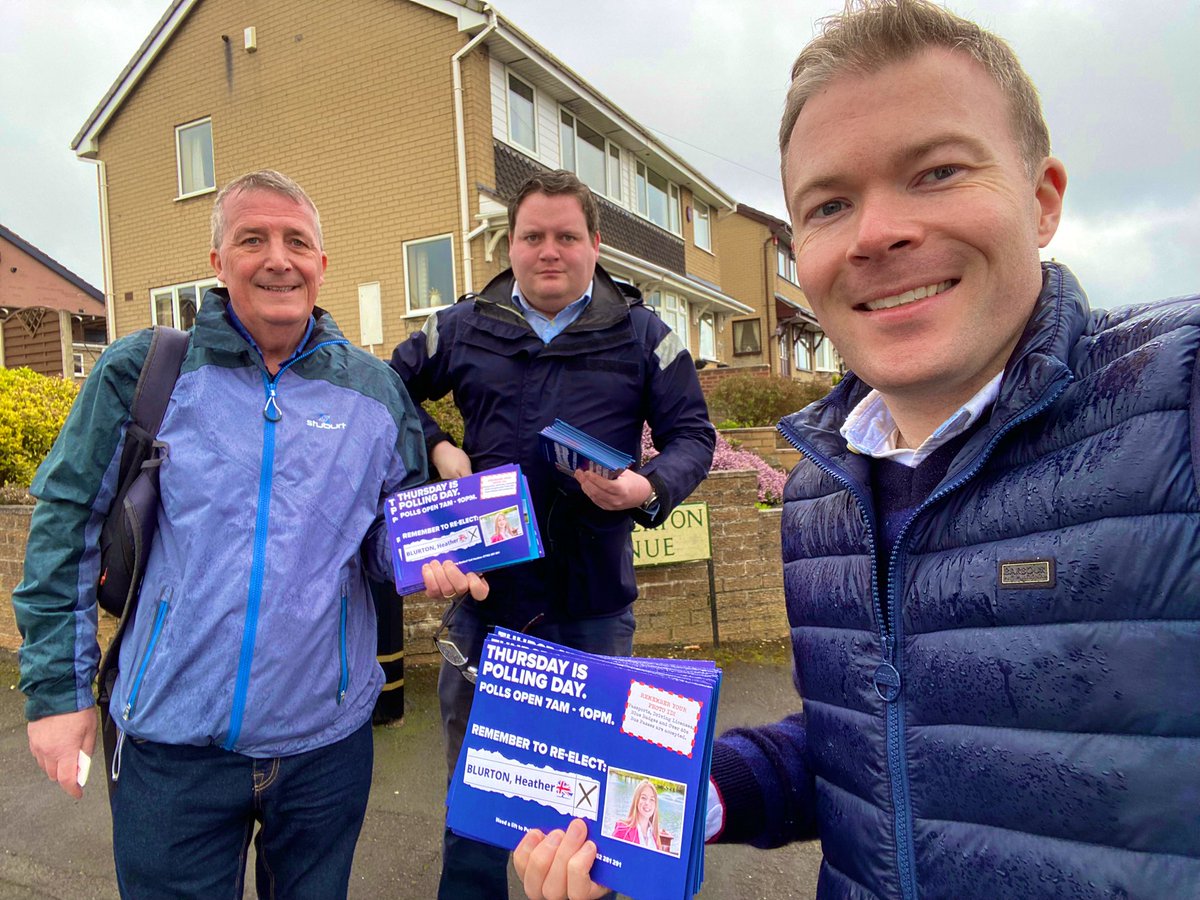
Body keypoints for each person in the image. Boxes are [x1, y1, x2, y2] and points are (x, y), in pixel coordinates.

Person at [512, 2, 1200, 898]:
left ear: (1042, 201)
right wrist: (697, 792)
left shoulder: (1173, 399)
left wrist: (649, 486)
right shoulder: (820, 494)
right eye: (831, 203)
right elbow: (871, 745)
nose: (876, 233)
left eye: (938, 170)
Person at [13, 170, 427, 898]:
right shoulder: (145, 370)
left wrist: (434, 558)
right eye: (252, 239)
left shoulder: (373, 391)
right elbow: (65, 526)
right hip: (173, 746)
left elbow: (386, 538)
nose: (278, 258)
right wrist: (58, 694)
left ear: (322, 265)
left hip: (323, 750)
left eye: (297, 241)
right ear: (217, 262)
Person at [391, 168, 715, 899]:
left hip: (594, 608)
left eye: (567, 236)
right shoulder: (464, 324)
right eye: (532, 236)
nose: (549, 251)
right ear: (511, 244)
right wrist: (439, 446)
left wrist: (647, 487)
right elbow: (388, 389)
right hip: (487, 607)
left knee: (591, 814)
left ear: (595, 245)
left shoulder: (643, 333)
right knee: (477, 803)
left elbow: (692, 434)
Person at [610, 780, 665, 852]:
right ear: (636, 800)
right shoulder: (622, 830)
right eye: (643, 798)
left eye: (652, 799)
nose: (647, 803)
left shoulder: (655, 836)